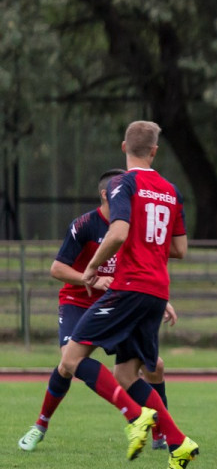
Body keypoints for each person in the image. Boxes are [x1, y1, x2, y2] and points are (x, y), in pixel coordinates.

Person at [56, 121, 199, 469]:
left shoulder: (124, 183)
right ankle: (179, 443)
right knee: (125, 373)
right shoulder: (171, 190)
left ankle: (135, 416)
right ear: (154, 151)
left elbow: (118, 234)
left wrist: (92, 265)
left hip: (130, 287)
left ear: (124, 147)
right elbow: (180, 248)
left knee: (72, 358)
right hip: (156, 291)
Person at [17, 168, 176, 452]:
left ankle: (160, 433)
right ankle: (40, 425)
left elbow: (145, 267)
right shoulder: (85, 225)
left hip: (119, 302)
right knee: (68, 363)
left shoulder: (129, 225)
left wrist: (159, 299)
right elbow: (56, 268)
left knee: (155, 366)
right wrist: (89, 278)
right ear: (107, 195)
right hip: (78, 302)